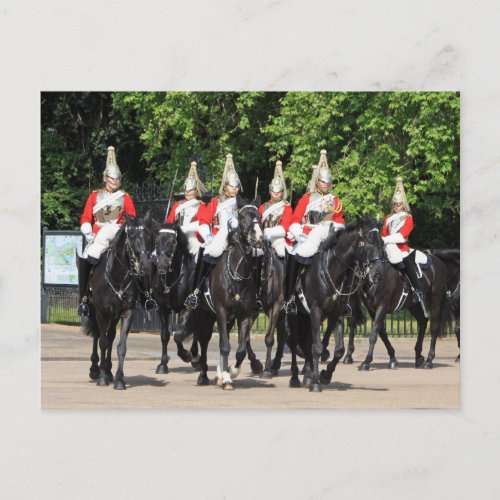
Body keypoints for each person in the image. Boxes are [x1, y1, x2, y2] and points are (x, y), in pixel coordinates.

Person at [283, 149, 345, 315]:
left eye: (328, 182)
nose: (325, 184)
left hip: (327, 236)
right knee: (295, 259)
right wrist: (298, 232)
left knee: (347, 260)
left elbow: (340, 221)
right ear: (317, 182)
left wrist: (334, 227)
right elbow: (295, 219)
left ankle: (344, 299)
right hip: (307, 236)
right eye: (323, 182)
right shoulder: (307, 198)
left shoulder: (335, 200)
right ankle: (289, 299)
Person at [77, 146, 136, 317]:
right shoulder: (95, 196)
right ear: (105, 178)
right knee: (87, 258)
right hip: (96, 236)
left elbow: (131, 218)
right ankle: (84, 299)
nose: (115, 181)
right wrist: (88, 232)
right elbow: (86, 217)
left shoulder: (125, 197)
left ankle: (143, 295)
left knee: (138, 258)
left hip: (118, 234)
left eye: (117, 179)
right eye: (112, 179)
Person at [184, 153, 243, 309]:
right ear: (225, 186)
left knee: (258, 254)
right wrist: (209, 237)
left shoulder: (242, 203)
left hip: (238, 237)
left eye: (237, 186)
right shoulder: (216, 202)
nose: (235, 189)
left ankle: (255, 296)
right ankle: (195, 292)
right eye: (232, 186)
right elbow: (204, 222)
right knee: (205, 252)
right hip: (219, 236)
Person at [256, 159, 293, 310]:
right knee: (254, 258)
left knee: (287, 258)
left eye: (278, 192)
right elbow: (257, 225)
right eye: (273, 191)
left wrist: (270, 232)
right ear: (270, 191)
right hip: (263, 240)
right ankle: (255, 292)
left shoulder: (286, 207)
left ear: (282, 193)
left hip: (278, 240)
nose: (276, 194)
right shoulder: (262, 207)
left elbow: (285, 227)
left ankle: (289, 296)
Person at [381, 176, 424, 303]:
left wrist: (386, 239)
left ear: (403, 204)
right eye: (394, 204)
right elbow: (383, 233)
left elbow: (402, 236)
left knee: (406, 262)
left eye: (398, 204)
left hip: (401, 248)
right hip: (387, 247)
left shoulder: (408, 217)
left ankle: (417, 290)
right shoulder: (388, 217)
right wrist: (383, 240)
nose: (396, 206)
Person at [165, 161, 207, 258]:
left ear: (195, 191)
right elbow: (170, 221)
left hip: (192, 236)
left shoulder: (200, 205)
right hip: (176, 235)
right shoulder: (177, 204)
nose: (187, 192)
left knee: (196, 253)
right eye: (186, 190)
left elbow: (201, 224)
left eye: (190, 190)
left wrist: (186, 228)